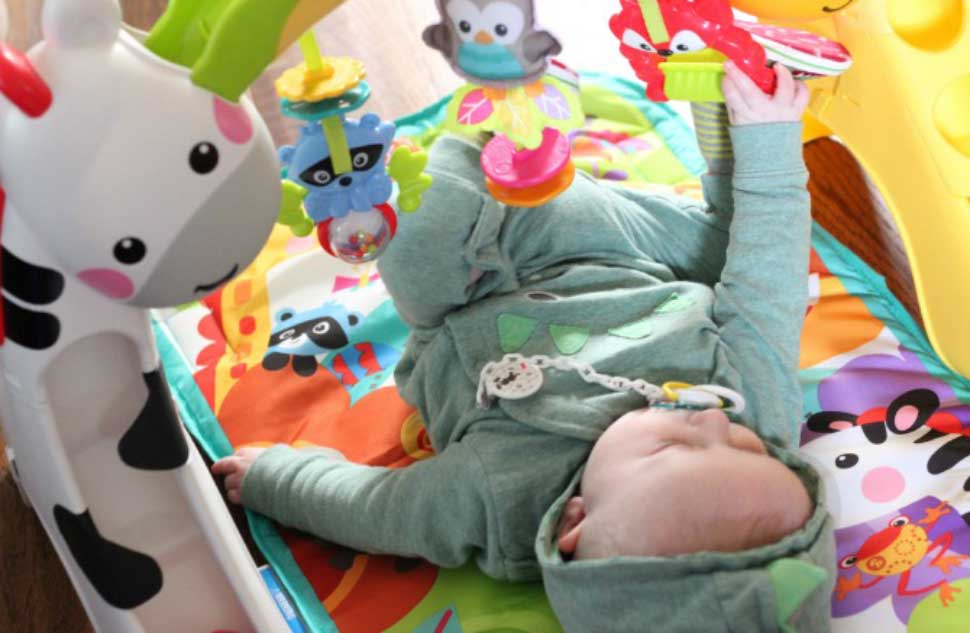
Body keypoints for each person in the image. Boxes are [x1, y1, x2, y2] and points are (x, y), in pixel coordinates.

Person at [214, 62, 835, 632]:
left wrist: (274, 480)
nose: (712, 420)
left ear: (575, 521)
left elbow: (376, 508)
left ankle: (486, 152)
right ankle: (732, 108)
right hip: (624, 255)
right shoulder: (754, 408)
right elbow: (767, 284)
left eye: (673, 445)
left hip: (471, 291)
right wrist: (771, 146)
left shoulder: (498, 494)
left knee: (425, 221)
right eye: (751, 448)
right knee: (741, 249)